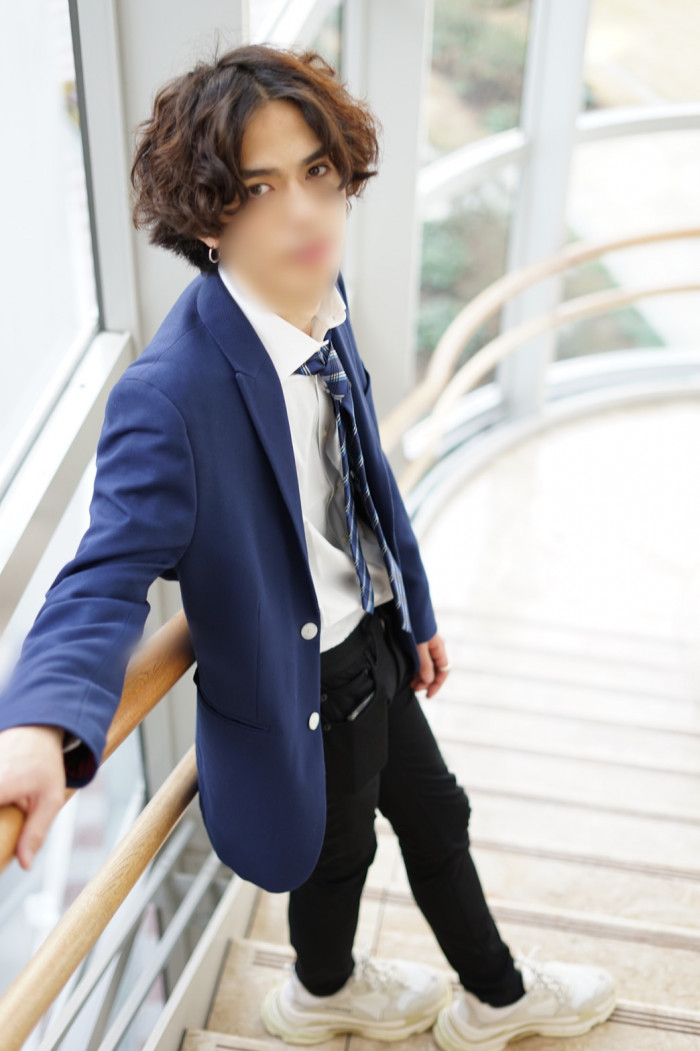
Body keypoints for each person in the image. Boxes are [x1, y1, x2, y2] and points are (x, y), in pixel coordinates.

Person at [0, 43, 616, 1050]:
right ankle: (330, 990)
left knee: (438, 815)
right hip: (303, 682)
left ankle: (490, 997)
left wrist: (411, 610)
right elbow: (103, 578)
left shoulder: (317, 303)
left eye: (318, 172)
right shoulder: (170, 395)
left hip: (371, 635)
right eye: (259, 188)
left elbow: (364, 481)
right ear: (205, 215)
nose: (304, 212)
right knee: (339, 855)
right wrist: (37, 724)